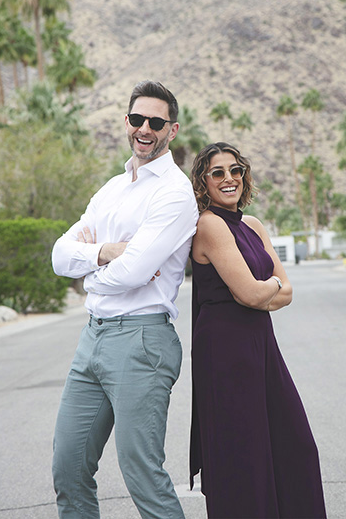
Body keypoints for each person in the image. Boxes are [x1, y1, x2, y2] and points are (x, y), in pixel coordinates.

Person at [51, 80, 198, 519]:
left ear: (172, 130)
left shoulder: (173, 192)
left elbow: (136, 272)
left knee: (142, 475)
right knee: (69, 469)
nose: (145, 129)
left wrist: (89, 277)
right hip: (92, 339)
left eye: (157, 121)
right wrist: (104, 253)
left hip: (142, 342)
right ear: (128, 122)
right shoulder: (111, 189)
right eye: (138, 119)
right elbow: (61, 256)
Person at [188, 142, 326, 518]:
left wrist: (268, 290)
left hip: (261, 344)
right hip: (224, 349)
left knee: (294, 445)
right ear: (203, 182)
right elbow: (249, 293)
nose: (229, 179)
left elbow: (288, 292)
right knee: (243, 455)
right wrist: (270, 288)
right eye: (218, 172)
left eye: (236, 170)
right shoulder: (209, 224)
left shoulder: (252, 225)